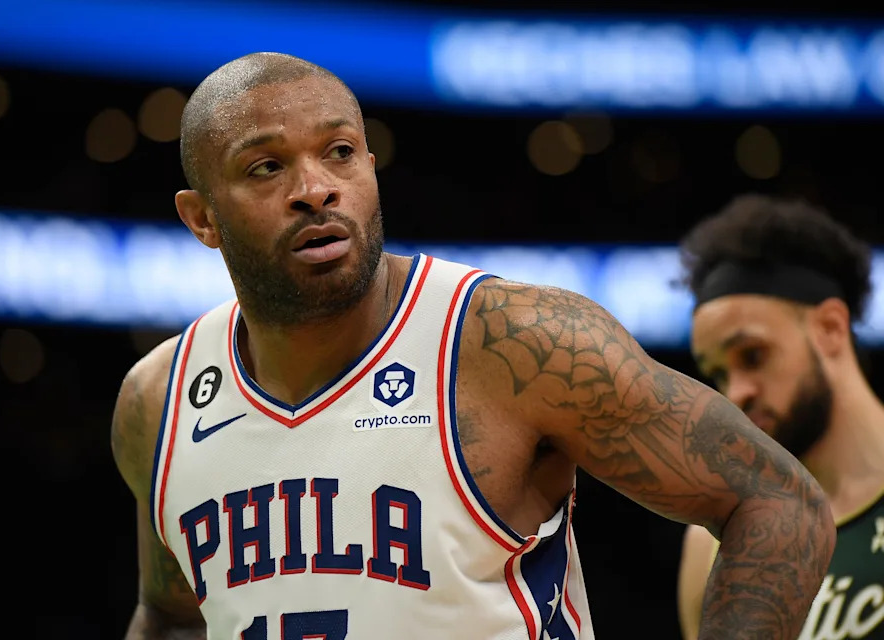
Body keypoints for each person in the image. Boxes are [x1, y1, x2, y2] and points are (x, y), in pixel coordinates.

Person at [110, 52, 835, 640]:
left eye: (339, 153)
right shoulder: (159, 400)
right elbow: (176, 619)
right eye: (265, 167)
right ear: (202, 219)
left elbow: (779, 503)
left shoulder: (513, 342)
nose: (315, 189)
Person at [675, 194, 884, 640]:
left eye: (752, 355)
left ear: (830, 328)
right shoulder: (712, 545)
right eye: (716, 374)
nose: (735, 395)